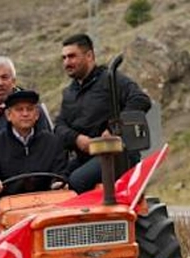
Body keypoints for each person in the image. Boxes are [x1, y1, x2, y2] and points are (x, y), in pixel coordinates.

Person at [0, 90, 68, 258]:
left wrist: (58, 183)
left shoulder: (52, 142)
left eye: (30, 109)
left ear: (37, 114)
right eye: (19, 110)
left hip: (45, 207)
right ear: (9, 115)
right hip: (3, 208)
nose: (25, 114)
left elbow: (61, 173)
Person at [54, 33, 151, 193]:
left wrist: (113, 129)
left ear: (89, 55)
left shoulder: (111, 80)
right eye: (64, 58)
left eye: (72, 56)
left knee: (77, 181)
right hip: (85, 157)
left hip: (116, 154)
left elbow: (140, 99)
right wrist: (77, 139)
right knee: (53, 179)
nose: (67, 62)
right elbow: (59, 125)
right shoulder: (69, 93)